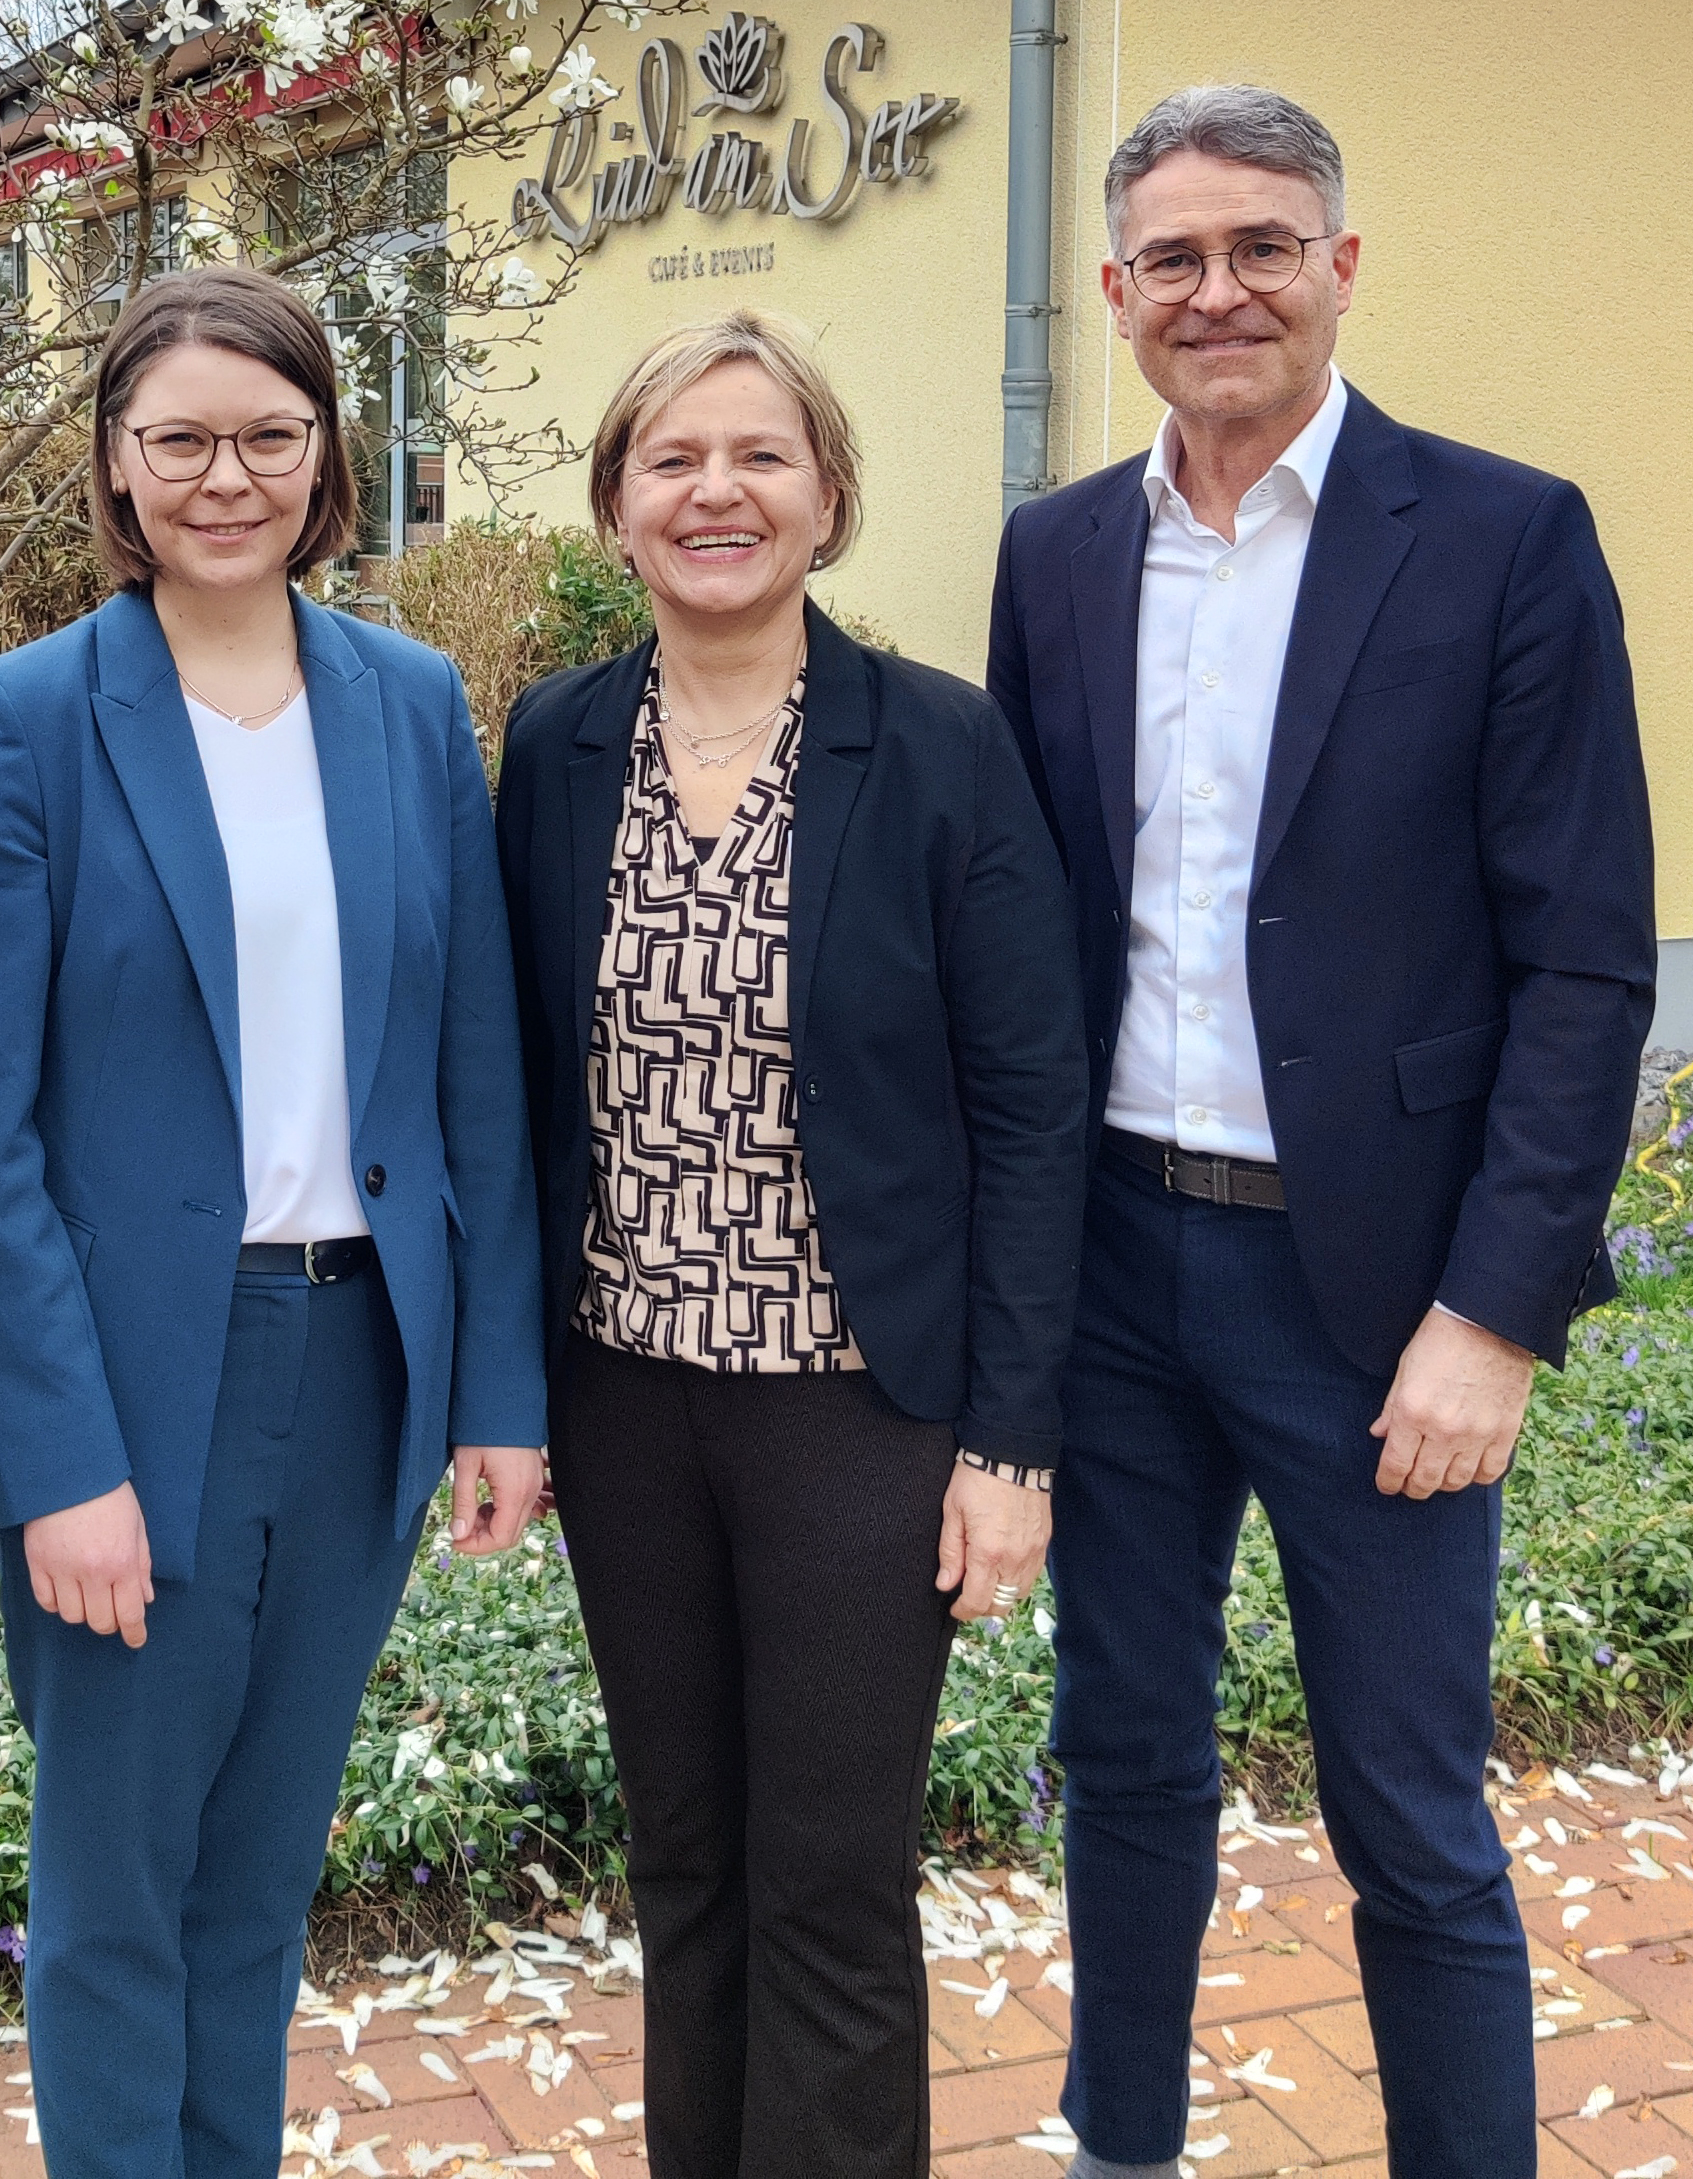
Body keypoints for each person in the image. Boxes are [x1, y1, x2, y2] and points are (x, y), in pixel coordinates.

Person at [986, 85, 1655, 2179]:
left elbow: (1586, 962)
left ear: (1340, 264)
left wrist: (1496, 1310)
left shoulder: (1499, 535)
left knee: (1405, 1803)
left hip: (1369, 1295)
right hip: (1110, 1264)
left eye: (1260, 243)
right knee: (1124, 1756)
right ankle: (1125, 2143)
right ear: (1115, 296)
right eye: (1172, 258)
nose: (1219, 290)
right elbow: (1024, 939)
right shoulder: (1058, 549)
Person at [0, 264, 548, 2177]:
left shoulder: (411, 705)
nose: (225, 476)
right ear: (115, 461)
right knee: (112, 1906)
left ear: (326, 455)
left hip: (360, 1370)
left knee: (259, 1879)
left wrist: (498, 1393)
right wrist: (59, 1462)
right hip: (126, 1383)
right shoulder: (20, 723)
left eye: (268, 435)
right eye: (179, 439)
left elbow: (474, 1085)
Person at [494, 310, 1090, 2179]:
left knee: (827, 1890)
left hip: (859, 1411)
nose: (715, 492)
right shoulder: (556, 742)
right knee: (683, 1867)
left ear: (826, 498)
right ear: (614, 508)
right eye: (671, 459)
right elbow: (516, 1088)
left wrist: (1008, 1445)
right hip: (628, 1401)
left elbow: (1030, 1109)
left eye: (758, 456)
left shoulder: (934, 747)